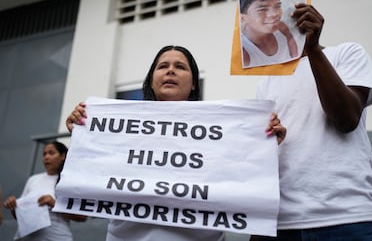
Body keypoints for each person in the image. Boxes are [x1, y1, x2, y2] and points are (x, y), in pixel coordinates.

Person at [66, 45, 287, 241]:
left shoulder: (224, 129)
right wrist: (84, 133)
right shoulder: (116, 126)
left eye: (180, 66)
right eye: (163, 66)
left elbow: (238, 176)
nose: (170, 70)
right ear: (151, 80)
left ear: (193, 84)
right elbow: (93, 181)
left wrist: (261, 143)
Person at [251, 2, 372, 241]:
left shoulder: (347, 53)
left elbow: (346, 119)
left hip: (345, 219)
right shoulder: (267, 82)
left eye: (281, 9)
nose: (274, 17)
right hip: (280, 224)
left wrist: (312, 50)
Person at [3, 141, 87, 240]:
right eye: (44, 154)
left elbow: (82, 216)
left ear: (63, 156)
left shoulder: (70, 181)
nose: (46, 157)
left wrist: (54, 204)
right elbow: (20, 217)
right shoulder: (33, 180)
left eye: (51, 153)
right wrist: (14, 207)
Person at [239, 0, 299, 68]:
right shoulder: (244, 52)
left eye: (277, 6)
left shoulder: (281, 27)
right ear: (243, 18)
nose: (274, 14)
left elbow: (291, 41)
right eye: (262, 9)